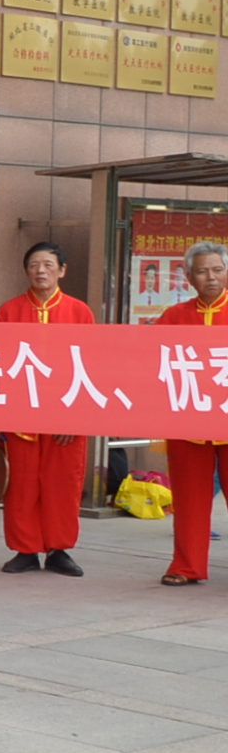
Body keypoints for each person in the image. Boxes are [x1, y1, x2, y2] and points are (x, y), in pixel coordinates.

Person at [0, 242, 94, 578]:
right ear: (26, 271)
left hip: (66, 414)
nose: (41, 271)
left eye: (48, 265)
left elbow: (90, 366)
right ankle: (25, 549)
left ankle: (59, 550)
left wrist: (76, 417)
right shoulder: (9, 311)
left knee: (63, 484)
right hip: (20, 415)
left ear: (62, 270)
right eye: (34, 265)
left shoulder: (80, 312)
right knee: (21, 485)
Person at [158, 242, 228, 586]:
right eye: (202, 271)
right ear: (188, 277)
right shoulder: (173, 317)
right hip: (187, 421)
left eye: (217, 270)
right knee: (188, 499)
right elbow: (148, 360)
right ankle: (187, 565)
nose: (210, 277)